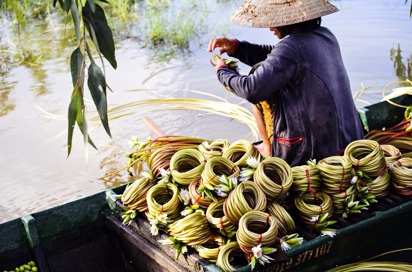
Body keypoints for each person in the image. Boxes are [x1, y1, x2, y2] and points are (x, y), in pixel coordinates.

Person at [208, 0, 364, 167]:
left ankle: (269, 150)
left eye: (273, 21)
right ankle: (269, 147)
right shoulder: (325, 35)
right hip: (350, 139)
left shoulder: (291, 48)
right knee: (265, 72)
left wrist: (223, 71)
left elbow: (252, 89)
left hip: (318, 152)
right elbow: (276, 56)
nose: (270, 27)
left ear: (288, 20)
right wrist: (237, 48)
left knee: (257, 76)